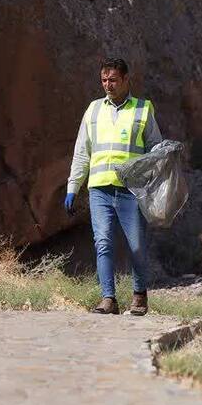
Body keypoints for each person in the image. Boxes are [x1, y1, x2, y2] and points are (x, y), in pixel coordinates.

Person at [65, 58, 162, 315]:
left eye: (113, 80)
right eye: (104, 80)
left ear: (126, 79)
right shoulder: (94, 110)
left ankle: (139, 296)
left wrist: (151, 181)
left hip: (131, 190)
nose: (108, 85)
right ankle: (108, 298)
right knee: (103, 242)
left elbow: (156, 149)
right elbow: (82, 151)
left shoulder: (143, 109)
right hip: (100, 188)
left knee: (136, 245)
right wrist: (73, 187)